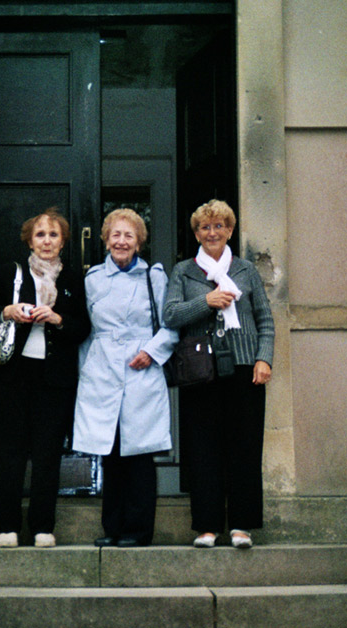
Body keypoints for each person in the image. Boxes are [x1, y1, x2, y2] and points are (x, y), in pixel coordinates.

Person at [163, 199, 274, 549]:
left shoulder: (245, 270)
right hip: (201, 369)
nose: (212, 232)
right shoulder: (184, 271)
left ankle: (242, 525)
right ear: (196, 232)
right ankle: (207, 526)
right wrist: (205, 302)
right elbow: (169, 315)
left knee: (244, 447)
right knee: (203, 448)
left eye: (219, 226)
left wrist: (264, 359)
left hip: (245, 368)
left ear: (230, 230)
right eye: (205, 227)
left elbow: (265, 320)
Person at [0, 208, 90, 548]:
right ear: (29, 239)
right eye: (40, 234)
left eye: (53, 235)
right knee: (8, 451)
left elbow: (83, 327)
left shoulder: (72, 280)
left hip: (54, 377)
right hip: (12, 374)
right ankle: (7, 527)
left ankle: (43, 526)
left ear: (63, 242)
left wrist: (57, 319)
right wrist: (6, 311)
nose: (46, 241)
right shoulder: (11, 273)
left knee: (47, 453)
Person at [73, 208, 178, 547]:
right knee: (111, 451)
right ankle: (113, 528)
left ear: (139, 242)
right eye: (115, 235)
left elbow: (172, 323)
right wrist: (85, 369)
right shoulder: (92, 280)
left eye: (128, 235)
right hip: (102, 371)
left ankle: (138, 530)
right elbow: (86, 331)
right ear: (105, 239)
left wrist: (152, 351)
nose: (121, 241)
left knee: (139, 452)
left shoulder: (155, 278)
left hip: (140, 369)